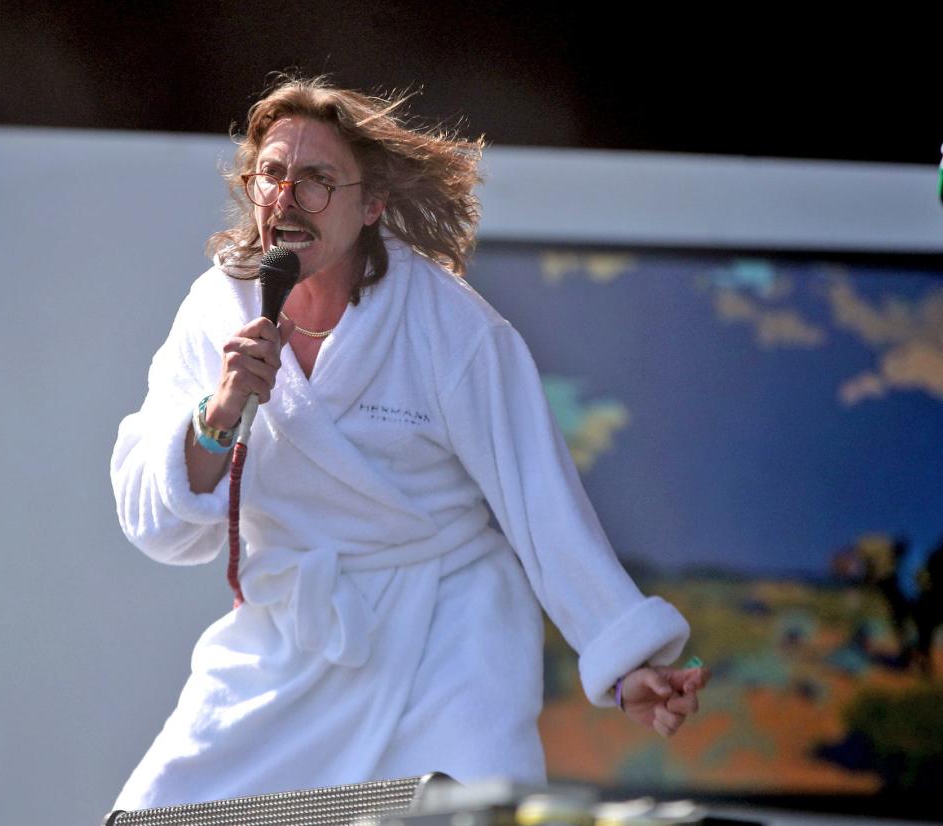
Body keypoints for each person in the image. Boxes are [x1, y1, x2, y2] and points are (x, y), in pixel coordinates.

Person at [110, 75, 708, 811]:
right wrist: (221, 408)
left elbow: (540, 505)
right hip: (292, 639)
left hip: (446, 637)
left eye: (317, 179)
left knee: (464, 817)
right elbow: (155, 519)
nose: (285, 196)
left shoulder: (451, 329)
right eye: (270, 173)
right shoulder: (213, 312)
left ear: (372, 204)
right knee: (157, 813)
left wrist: (626, 661)